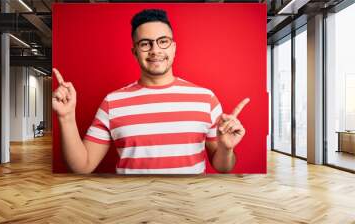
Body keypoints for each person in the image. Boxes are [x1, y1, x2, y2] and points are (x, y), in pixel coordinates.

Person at [52, 9, 249, 174]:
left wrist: (226, 149)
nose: (155, 50)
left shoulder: (206, 99)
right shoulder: (113, 102)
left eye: (163, 41)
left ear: (173, 48)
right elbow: (82, 166)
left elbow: (223, 167)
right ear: (135, 52)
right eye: (145, 43)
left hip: (190, 209)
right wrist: (67, 117)